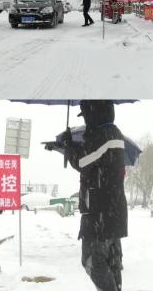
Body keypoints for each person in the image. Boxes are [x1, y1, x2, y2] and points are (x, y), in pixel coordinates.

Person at [62, 100, 127, 291]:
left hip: (100, 213)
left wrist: (69, 145)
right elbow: (93, 161)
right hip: (112, 211)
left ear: (96, 112)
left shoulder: (103, 135)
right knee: (112, 263)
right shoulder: (114, 133)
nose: (87, 120)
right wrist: (72, 145)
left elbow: (83, 162)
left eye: (87, 114)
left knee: (93, 262)